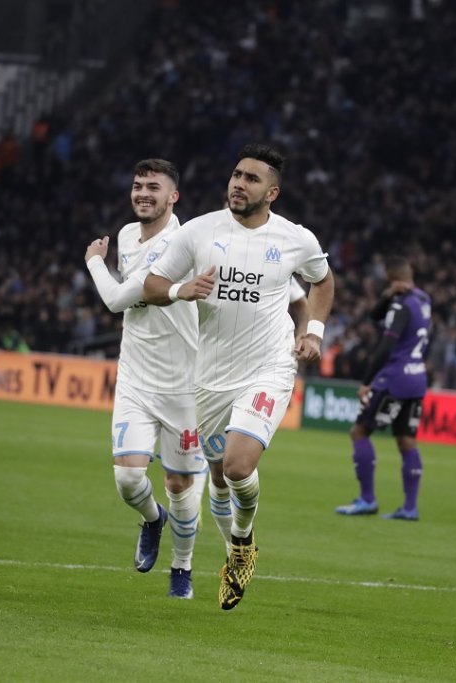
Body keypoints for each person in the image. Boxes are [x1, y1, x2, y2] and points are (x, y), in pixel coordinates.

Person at [143, 143, 335, 610]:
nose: (237, 183)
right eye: (235, 174)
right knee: (219, 476)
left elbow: (322, 281)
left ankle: (242, 544)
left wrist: (313, 332)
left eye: (250, 178)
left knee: (237, 465)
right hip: (208, 375)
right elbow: (152, 286)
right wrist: (180, 289)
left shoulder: (295, 239)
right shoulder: (198, 232)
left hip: (269, 366)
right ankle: (234, 535)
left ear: (272, 191)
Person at [84, 158, 206, 599]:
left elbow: (118, 298)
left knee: (180, 484)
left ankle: (183, 567)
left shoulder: (183, 242)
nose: (143, 194)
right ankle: (154, 520)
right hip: (136, 377)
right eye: (138, 186)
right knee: (129, 480)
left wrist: (94, 262)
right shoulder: (127, 235)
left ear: (173, 197)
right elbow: (133, 304)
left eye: (153, 187)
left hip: (186, 387)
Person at [335, 256, 432, 521]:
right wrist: (390, 295)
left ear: (390, 278)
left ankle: (367, 499)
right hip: (417, 377)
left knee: (359, 431)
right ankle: (410, 508)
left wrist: (367, 380)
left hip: (395, 379)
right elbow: (375, 313)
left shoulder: (401, 306)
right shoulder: (424, 300)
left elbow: (387, 345)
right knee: (406, 440)